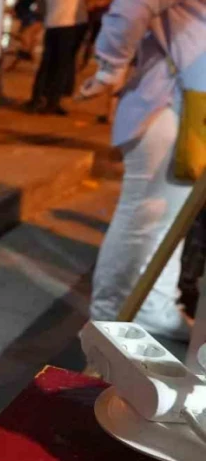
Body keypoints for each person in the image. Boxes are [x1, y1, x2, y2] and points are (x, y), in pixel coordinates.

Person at [78, 0, 206, 339]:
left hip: (182, 109)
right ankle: (109, 317)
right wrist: (111, 66)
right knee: (145, 218)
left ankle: (153, 307)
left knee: (166, 222)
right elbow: (134, 4)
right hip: (172, 106)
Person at [26, 0, 88, 115]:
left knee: (48, 63)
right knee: (62, 65)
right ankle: (51, 102)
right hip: (70, 22)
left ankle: (39, 98)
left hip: (54, 20)